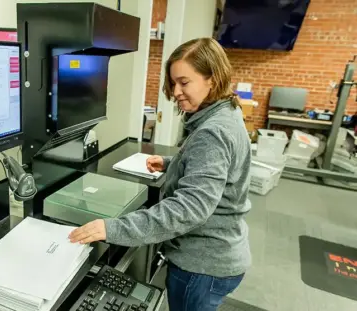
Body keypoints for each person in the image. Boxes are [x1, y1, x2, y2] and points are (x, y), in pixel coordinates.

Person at [69, 37, 252, 311]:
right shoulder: (226, 113)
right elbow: (221, 167)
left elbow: (189, 209)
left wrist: (112, 228)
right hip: (224, 252)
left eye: (184, 82)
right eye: (173, 83)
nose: (176, 91)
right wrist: (172, 162)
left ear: (212, 79)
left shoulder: (212, 132)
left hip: (202, 265)